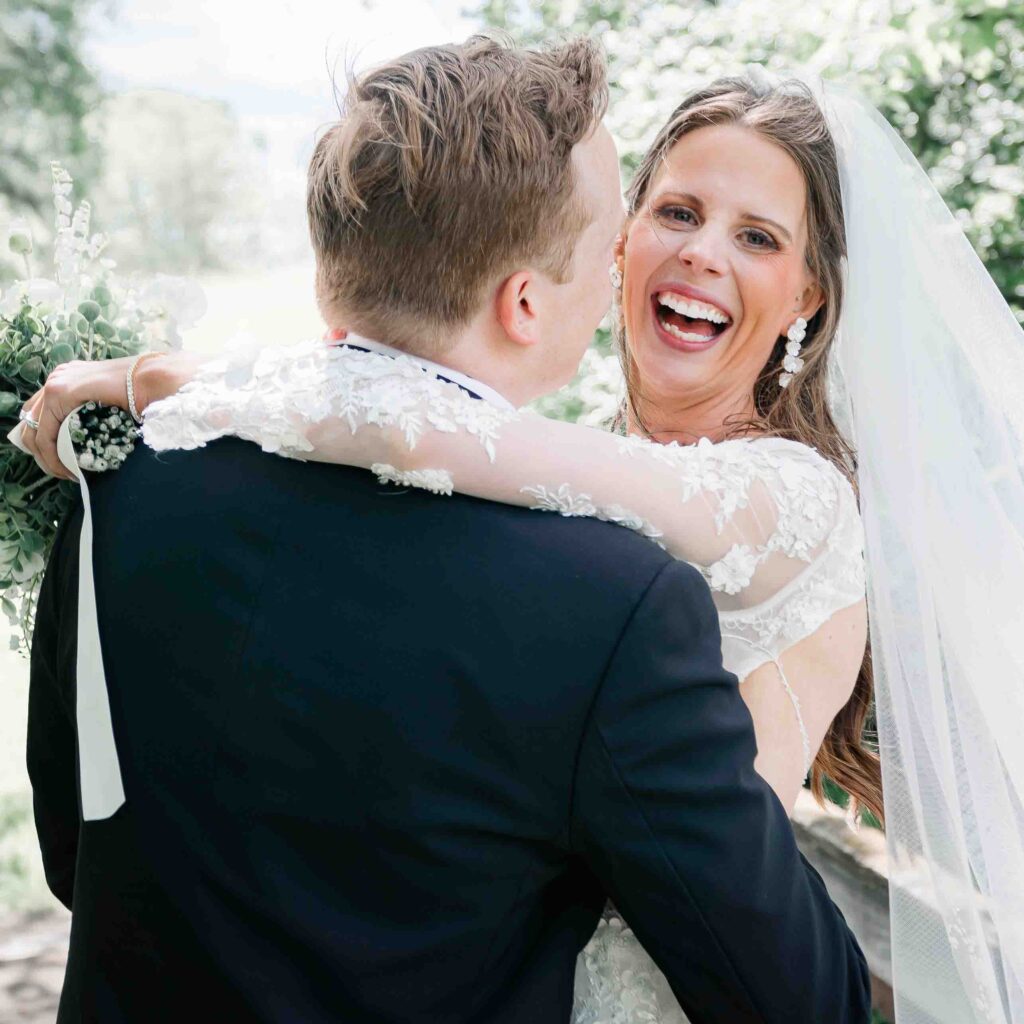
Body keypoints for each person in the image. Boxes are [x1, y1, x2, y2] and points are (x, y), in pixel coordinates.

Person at [15, 37, 872, 1024]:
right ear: (535, 293)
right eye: (664, 215)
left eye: (758, 237)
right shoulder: (605, 588)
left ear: (809, 294)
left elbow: (82, 855)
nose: (693, 253)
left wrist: (179, 382)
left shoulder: (123, 492)